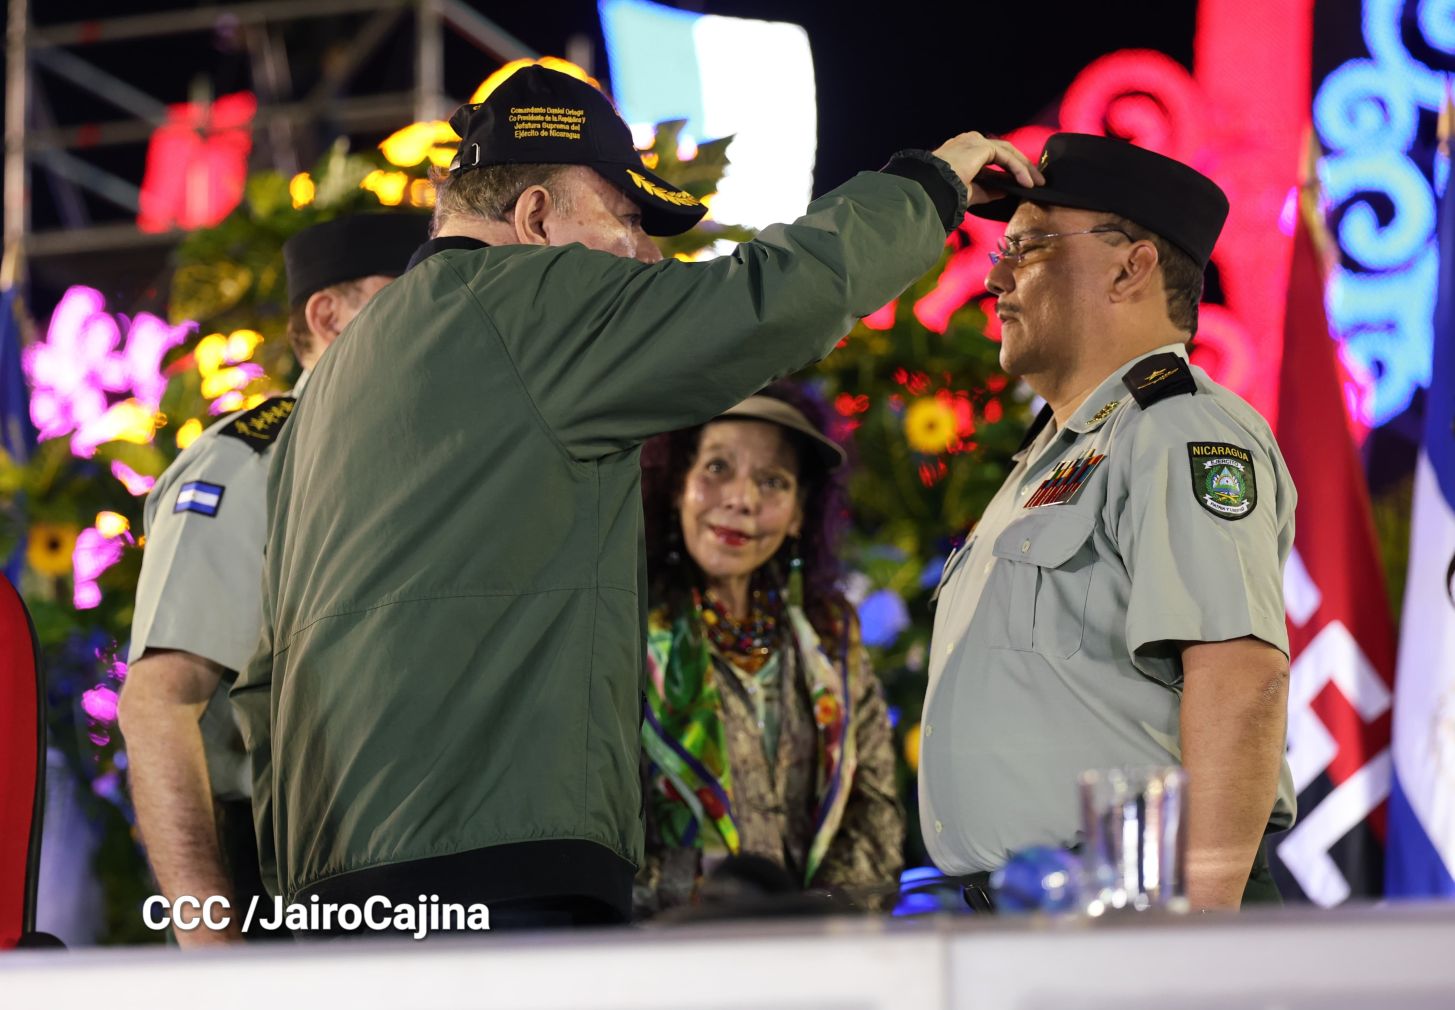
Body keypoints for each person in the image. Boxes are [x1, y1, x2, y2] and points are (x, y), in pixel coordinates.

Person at [232, 64, 1042, 932]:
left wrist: (284, 897)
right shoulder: (522, 302)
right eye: (624, 219)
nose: (647, 253)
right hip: (499, 865)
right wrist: (929, 183)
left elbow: (258, 680)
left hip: (334, 886)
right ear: (537, 217)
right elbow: (771, 299)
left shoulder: (335, 382)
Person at [917, 133, 1297, 912]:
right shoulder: (1054, 457)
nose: (993, 275)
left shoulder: (1176, 430)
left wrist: (1190, 938)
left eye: (1025, 246)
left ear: (1131, 267)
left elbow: (1238, 678)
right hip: (1044, 917)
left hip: (1139, 911)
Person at [118, 212, 425, 945]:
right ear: (328, 314)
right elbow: (159, 703)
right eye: (412, 295)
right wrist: (210, 944)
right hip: (275, 886)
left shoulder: (420, 463)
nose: (438, 319)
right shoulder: (254, 459)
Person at [635, 384, 903, 917]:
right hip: (671, 956)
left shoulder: (831, 635)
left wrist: (817, 918)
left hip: (813, 957)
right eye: (717, 468)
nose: (742, 500)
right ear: (677, 486)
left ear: (800, 514)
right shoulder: (630, 633)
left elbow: (873, 808)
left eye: (772, 481)